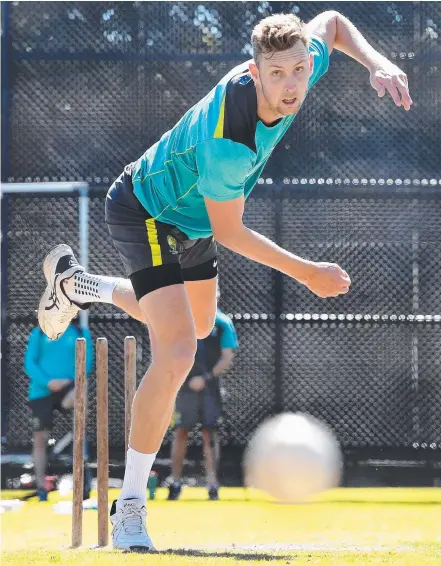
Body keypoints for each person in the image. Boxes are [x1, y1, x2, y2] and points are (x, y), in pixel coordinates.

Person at [37, 11, 411, 550]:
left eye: (299, 71)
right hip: (146, 209)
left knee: (202, 324)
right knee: (178, 349)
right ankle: (132, 507)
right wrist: (308, 273)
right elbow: (230, 231)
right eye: (277, 73)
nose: (291, 85)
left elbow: (330, 22)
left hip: (194, 217)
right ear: (254, 72)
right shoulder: (228, 139)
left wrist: (379, 63)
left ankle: (79, 286)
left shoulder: (303, 61)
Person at [168, 308, 238, 501]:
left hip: (210, 389)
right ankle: (175, 483)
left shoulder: (222, 323)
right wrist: (183, 377)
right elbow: (171, 351)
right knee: (180, 431)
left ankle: (212, 484)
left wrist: (205, 379)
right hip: (184, 387)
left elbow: (227, 357)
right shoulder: (181, 319)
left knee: (210, 433)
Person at [24, 321, 93, 501]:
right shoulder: (39, 333)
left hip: (69, 388)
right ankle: (41, 488)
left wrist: (68, 380)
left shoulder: (80, 332)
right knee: (40, 439)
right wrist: (48, 382)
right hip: (41, 391)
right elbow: (29, 363)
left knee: (81, 401)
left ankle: (81, 474)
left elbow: (87, 363)